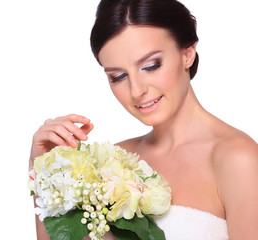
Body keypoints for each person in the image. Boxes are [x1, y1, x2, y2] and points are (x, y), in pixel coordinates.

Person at [29, 0, 258, 239]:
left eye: (151, 66)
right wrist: (43, 169)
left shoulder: (237, 160)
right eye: (118, 76)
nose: (136, 90)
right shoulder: (112, 161)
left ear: (187, 53)